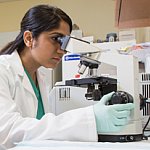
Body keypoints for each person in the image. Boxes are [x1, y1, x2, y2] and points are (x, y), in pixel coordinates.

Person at [0, 4, 134, 149]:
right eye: (56, 39)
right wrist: (90, 118)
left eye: (65, 42)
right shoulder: (3, 70)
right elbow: (8, 131)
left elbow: (44, 132)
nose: (62, 50)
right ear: (29, 38)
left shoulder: (41, 79)